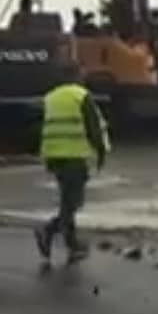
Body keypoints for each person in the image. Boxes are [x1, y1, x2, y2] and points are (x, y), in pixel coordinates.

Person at [33, 62, 110, 264]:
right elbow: (92, 125)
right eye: (82, 74)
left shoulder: (51, 97)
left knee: (67, 199)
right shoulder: (81, 95)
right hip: (74, 155)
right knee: (74, 202)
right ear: (76, 76)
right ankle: (47, 230)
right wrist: (101, 151)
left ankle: (73, 243)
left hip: (54, 155)